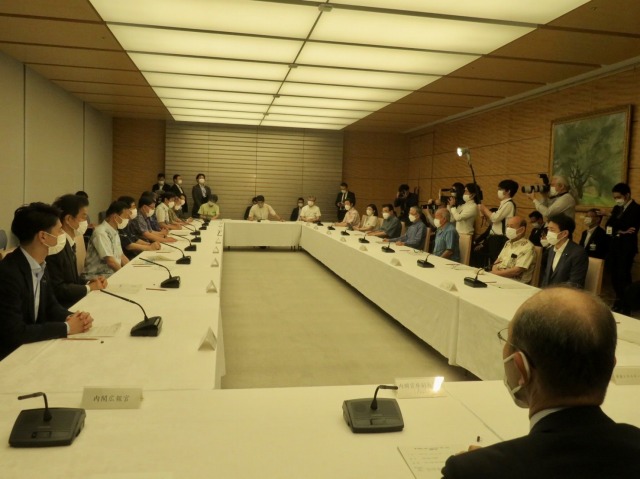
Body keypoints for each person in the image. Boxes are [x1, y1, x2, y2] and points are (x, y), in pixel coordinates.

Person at [441, 287, 640, 479]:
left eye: (507, 340)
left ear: (522, 368)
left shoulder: (469, 471)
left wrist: (486, 465)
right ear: (610, 366)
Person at [0, 203, 94, 359]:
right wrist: (66, 327)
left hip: (31, 346)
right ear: (43, 236)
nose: (62, 235)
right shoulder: (8, 273)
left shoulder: (40, 264)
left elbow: (51, 306)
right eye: (59, 230)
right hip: (10, 356)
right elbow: (14, 332)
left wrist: (73, 318)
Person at [47, 194, 107, 308]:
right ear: (69, 219)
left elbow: (71, 280)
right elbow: (58, 288)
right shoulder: (56, 246)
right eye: (83, 217)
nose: (86, 221)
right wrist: (89, 288)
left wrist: (90, 282)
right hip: (63, 306)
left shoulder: (69, 242)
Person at [605, 183, 640, 312]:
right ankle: (619, 300)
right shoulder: (616, 208)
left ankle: (626, 304)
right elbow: (609, 226)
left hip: (627, 248)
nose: (617, 200)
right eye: (615, 197)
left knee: (623, 276)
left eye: (618, 197)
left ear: (627, 195)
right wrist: (620, 230)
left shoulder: (636, 209)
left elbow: (630, 226)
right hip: (614, 246)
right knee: (614, 276)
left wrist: (617, 225)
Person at [475, 179, 518, 266]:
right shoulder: (503, 204)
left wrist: (484, 208)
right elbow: (495, 221)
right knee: (487, 260)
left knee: (496, 263)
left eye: (501, 189)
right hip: (493, 238)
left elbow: (495, 218)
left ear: (508, 191)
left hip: (500, 239)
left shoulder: (509, 204)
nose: (498, 191)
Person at [84, 201, 131, 279]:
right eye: (126, 217)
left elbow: (121, 256)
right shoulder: (101, 232)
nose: (128, 219)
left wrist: (131, 271)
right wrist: (124, 276)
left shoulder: (114, 231)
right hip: (98, 276)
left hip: (111, 273)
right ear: (115, 217)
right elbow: (110, 261)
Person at [541, 214, 588, 288]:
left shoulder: (578, 253)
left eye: (552, 230)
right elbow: (546, 276)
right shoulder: (551, 249)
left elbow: (574, 284)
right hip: (549, 292)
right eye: (548, 229)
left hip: (565, 294)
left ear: (564, 233)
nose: (548, 233)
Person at [491, 216, 536, 284]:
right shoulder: (508, 242)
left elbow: (516, 271)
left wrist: (495, 274)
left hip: (515, 283)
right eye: (507, 226)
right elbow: (498, 261)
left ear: (522, 229)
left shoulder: (528, 247)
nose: (508, 229)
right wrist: (494, 272)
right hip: (499, 277)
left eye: (511, 227)